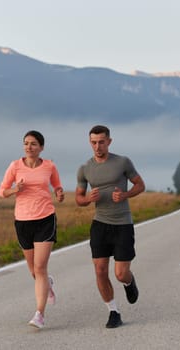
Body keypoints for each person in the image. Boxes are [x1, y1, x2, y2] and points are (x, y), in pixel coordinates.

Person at [75, 125, 145, 328]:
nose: (97, 146)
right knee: (100, 270)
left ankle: (129, 283)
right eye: (94, 142)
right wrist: (88, 198)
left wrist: (125, 195)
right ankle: (113, 311)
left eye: (101, 142)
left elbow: (140, 185)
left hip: (122, 223)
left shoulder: (122, 162)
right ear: (90, 142)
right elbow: (79, 198)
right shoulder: (85, 168)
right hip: (100, 224)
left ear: (109, 141)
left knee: (120, 273)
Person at [0, 130, 64, 329]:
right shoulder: (15, 166)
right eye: (26, 143)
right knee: (33, 270)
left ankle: (39, 314)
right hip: (23, 221)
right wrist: (14, 190)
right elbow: (2, 191)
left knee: (40, 267)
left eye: (33, 144)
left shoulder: (49, 166)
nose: (29, 147)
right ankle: (47, 285)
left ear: (41, 147)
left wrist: (60, 193)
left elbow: (57, 186)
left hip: (45, 218)